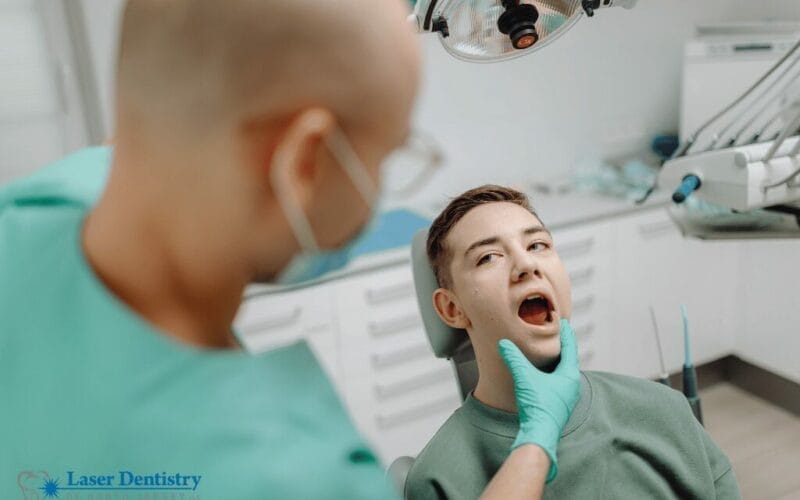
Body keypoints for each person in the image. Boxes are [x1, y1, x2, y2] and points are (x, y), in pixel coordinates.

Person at [0, 2, 575, 498]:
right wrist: (538, 440)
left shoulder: (33, 207)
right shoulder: (294, 476)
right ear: (302, 164)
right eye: (383, 159)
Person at [405, 185, 741, 499]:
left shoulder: (664, 410)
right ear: (452, 309)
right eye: (488, 257)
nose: (526, 264)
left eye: (538, 245)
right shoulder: (438, 479)